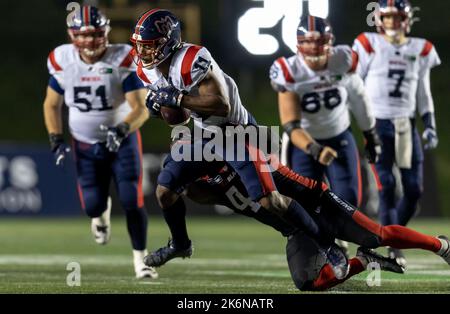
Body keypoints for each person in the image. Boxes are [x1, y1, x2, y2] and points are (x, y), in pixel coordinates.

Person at [130, 8, 343, 268]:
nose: (143, 53)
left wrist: (175, 98)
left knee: (269, 200)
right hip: (207, 136)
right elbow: (181, 118)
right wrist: (163, 110)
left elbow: (221, 106)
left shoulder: (191, 58)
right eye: (141, 46)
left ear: (169, 42)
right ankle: (180, 244)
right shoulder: (145, 70)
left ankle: (326, 245)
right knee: (166, 190)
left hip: (237, 132)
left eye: (150, 46)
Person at [147, 148, 450, 291]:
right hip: (295, 229)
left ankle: (441, 246)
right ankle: (366, 262)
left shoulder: (243, 156)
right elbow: (185, 194)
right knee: (309, 282)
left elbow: (271, 177)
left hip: (319, 205)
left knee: (378, 234)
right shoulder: (207, 189)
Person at [43, 5, 157, 279]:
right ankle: (100, 216)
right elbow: (51, 104)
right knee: (92, 204)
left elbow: (141, 108)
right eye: (83, 36)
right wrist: (56, 138)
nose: (89, 42)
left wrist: (121, 129)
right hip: (83, 141)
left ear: (105, 32)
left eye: (94, 34)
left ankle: (141, 260)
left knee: (132, 198)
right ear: (72, 37)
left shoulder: (122, 59)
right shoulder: (63, 60)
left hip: (122, 141)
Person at [352, 0, 441, 267]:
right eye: (387, 17)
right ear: (380, 19)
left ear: (407, 19)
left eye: (397, 17)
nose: (392, 23)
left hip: (406, 124)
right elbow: (355, 83)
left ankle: (390, 237)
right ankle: (392, 243)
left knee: (413, 190)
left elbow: (423, 92)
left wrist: (430, 123)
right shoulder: (368, 43)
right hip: (377, 123)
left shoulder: (421, 48)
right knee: (387, 187)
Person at [270, 15, 381, 212]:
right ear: (298, 45)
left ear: (330, 41)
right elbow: (290, 124)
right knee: (304, 202)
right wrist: (315, 150)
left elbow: (359, 98)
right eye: (308, 42)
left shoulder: (343, 59)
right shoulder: (289, 70)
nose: (313, 48)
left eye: (319, 42)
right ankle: (318, 242)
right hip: (303, 142)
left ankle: (341, 241)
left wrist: (370, 134)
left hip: (339, 136)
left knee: (349, 200)